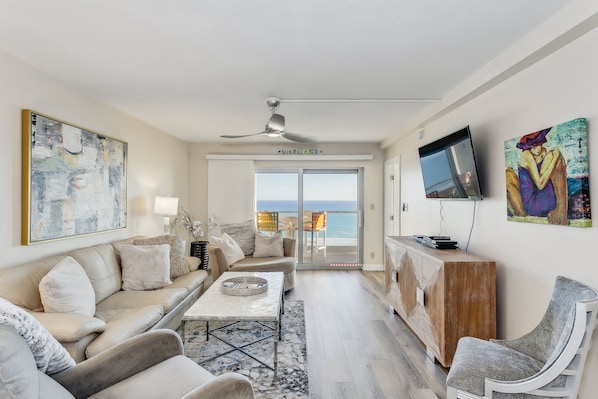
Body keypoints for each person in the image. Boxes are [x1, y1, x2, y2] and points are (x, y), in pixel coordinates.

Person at [506, 128, 568, 225]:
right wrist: (555, 159)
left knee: (554, 156)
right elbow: (540, 184)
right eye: (533, 146)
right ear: (527, 146)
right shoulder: (526, 155)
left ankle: (561, 210)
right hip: (533, 205)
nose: (537, 149)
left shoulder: (543, 151)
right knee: (554, 157)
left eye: (539, 144)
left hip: (544, 198)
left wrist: (554, 158)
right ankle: (560, 209)